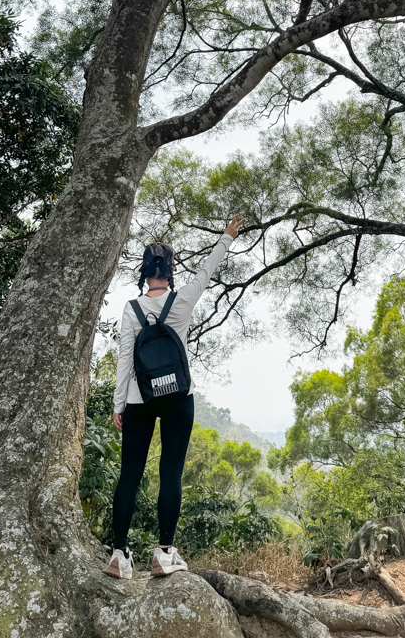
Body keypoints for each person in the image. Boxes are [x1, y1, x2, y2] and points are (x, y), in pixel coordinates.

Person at [105, 215, 245, 579]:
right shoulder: (182, 301)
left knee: (129, 475)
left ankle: (119, 555)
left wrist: (119, 404)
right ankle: (164, 553)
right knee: (171, 473)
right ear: (170, 270)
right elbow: (206, 273)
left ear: (144, 271)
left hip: (139, 399)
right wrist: (226, 237)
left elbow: (124, 356)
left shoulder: (131, 309)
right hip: (179, 396)